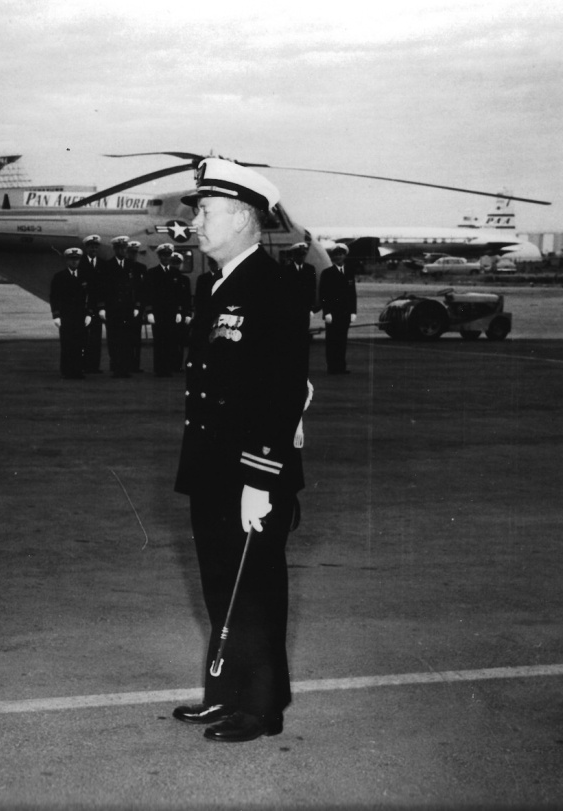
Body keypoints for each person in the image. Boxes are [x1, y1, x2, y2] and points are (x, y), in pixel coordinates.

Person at [173, 158, 310, 743]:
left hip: (252, 472)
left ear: (245, 219)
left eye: (206, 211)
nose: (196, 222)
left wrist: (260, 480)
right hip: (211, 468)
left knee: (253, 589)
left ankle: (260, 708)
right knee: (219, 583)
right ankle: (224, 693)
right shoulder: (215, 283)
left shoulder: (274, 288)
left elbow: (280, 392)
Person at [144, 243, 191, 376]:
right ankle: (159, 369)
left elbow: (179, 296)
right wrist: (149, 312)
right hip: (158, 312)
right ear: (159, 256)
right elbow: (148, 294)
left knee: (170, 340)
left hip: (171, 313)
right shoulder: (152, 273)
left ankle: (169, 367)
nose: (166, 257)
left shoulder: (175, 273)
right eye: (163, 255)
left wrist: (179, 312)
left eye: (168, 255)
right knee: (159, 341)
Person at [97, 236, 140, 378]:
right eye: (119, 248)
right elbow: (102, 288)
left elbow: (135, 288)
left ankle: (125, 368)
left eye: (124, 248)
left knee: (127, 339)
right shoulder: (107, 266)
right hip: (113, 309)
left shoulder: (131, 265)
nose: (122, 250)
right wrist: (102, 307)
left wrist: (136, 306)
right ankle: (116, 366)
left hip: (127, 309)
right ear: (115, 249)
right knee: (114, 339)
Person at [50, 247, 91, 379]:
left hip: (80, 316)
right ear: (67, 260)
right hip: (66, 316)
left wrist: (89, 313)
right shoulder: (59, 277)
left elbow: (89, 297)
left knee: (80, 344)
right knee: (67, 344)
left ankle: (78, 370)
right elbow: (54, 297)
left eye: (77, 259)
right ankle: (67, 370)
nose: (74, 262)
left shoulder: (84, 276)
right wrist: (56, 315)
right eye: (72, 259)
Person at [319, 243, 358, 374]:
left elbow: (352, 293)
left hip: (345, 312)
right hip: (333, 313)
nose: (338, 257)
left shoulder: (349, 272)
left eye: (341, 254)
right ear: (332, 257)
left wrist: (353, 311)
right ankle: (332, 366)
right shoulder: (327, 273)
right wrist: (327, 312)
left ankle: (341, 366)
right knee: (332, 340)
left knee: (342, 340)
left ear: (344, 256)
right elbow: (323, 294)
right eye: (336, 255)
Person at [78, 234, 104, 374]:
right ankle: (82, 364)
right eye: (91, 246)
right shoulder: (80, 264)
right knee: (83, 337)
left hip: (97, 306)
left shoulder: (102, 264)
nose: (94, 249)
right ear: (86, 248)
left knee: (96, 337)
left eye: (96, 246)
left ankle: (94, 366)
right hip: (83, 305)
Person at [284, 241, 321, 334]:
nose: (301, 257)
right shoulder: (286, 270)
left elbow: (312, 289)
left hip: (305, 309)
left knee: (304, 334)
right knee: (292, 335)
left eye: (303, 255)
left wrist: (311, 308)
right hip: (291, 310)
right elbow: (284, 291)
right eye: (298, 255)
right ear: (293, 255)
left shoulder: (310, 269)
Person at [125, 240, 148, 372]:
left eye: (135, 252)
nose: (133, 255)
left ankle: (136, 364)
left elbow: (143, 289)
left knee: (136, 338)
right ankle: (126, 363)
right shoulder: (124, 267)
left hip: (137, 307)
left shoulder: (141, 268)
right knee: (126, 337)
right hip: (125, 307)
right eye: (131, 252)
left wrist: (142, 307)